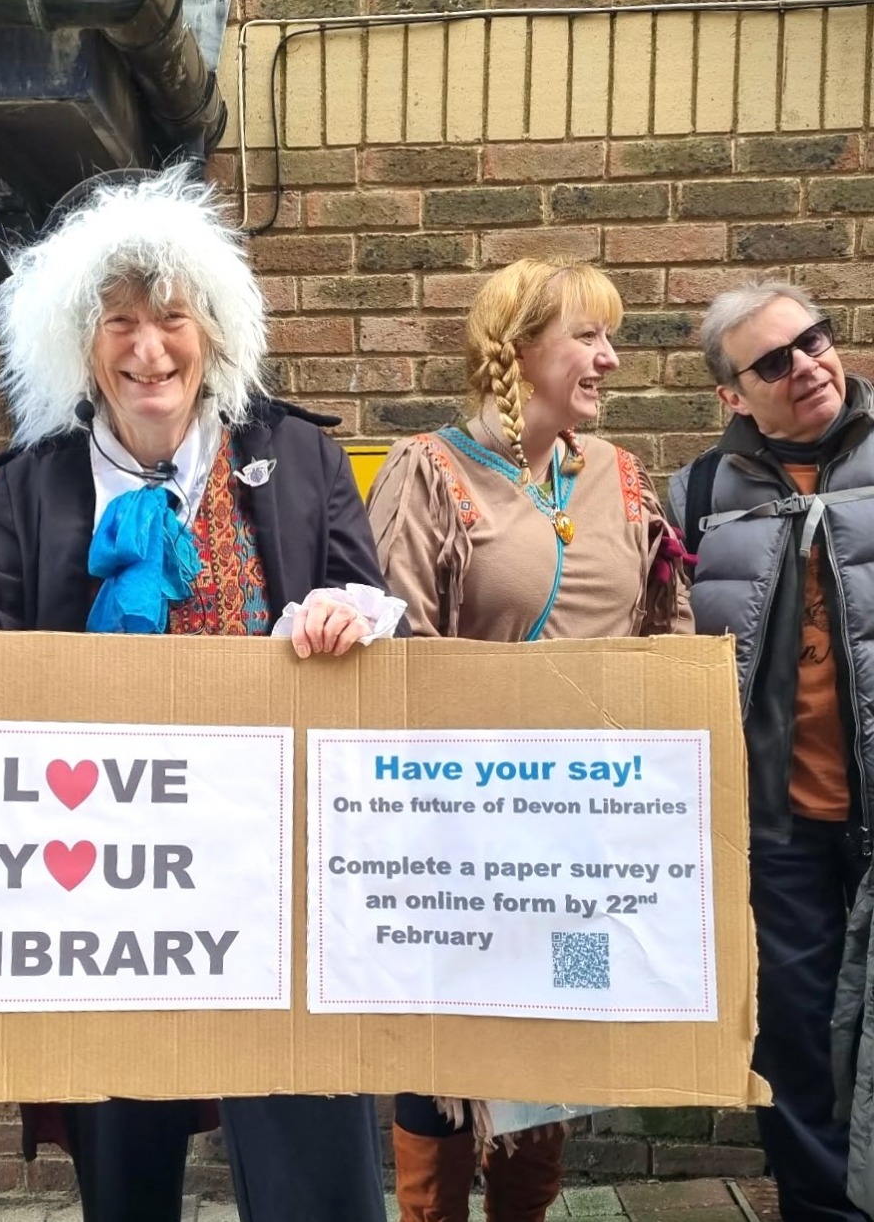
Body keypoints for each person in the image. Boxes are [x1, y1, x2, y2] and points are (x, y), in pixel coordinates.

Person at [0, 165, 395, 1222]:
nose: (149, 349)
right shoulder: (38, 485)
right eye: (120, 322)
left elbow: (374, 608)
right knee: (126, 1184)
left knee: (315, 1179)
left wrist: (349, 616)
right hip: (104, 887)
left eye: (172, 318)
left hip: (282, 879)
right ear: (79, 343)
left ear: (214, 330)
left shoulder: (297, 456)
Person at [366, 257, 694, 1222]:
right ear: (517, 352)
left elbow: (663, 635)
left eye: (609, 336)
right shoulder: (429, 472)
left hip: (587, 838)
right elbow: (397, 657)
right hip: (457, 835)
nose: (610, 358)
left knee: (557, 1041)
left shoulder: (619, 478)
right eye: (588, 336)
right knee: (444, 1051)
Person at [666, 282, 874, 1222]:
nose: (809, 367)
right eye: (774, 362)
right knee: (792, 1034)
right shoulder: (699, 492)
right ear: (733, 395)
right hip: (776, 825)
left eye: (814, 340)